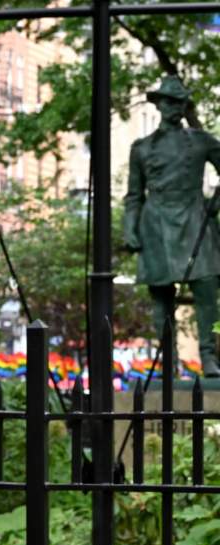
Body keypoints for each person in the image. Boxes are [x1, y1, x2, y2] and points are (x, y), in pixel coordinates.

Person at [122, 75, 220, 378]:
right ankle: (168, 362)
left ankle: (208, 355)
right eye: (168, 101)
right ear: (159, 104)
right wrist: (130, 229)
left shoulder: (201, 141)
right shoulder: (142, 148)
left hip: (194, 220)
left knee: (206, 289)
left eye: (179, 102)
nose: (174, 107)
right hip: (156, 226)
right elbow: (134, 195)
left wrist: (216, 204)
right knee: (161, 298)